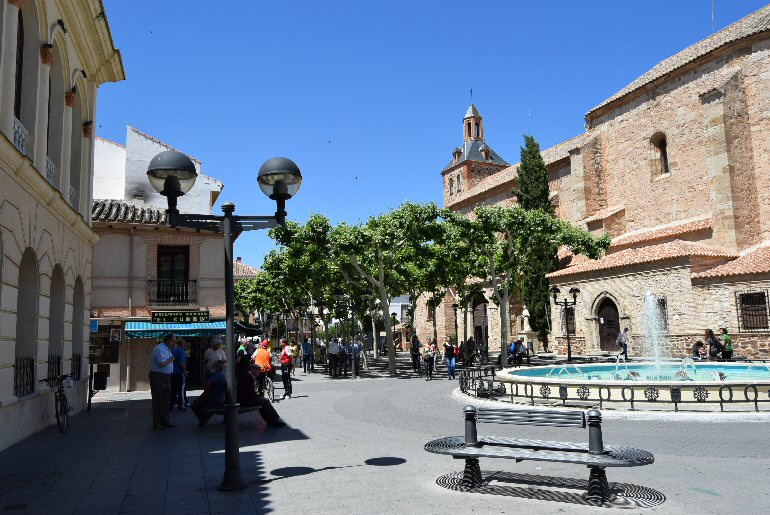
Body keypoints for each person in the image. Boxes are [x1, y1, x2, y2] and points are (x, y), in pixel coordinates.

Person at [150, 332, 176, 429]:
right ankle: (157, 423)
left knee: (166, 400)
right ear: (168, 340)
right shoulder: (159, 349)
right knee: (158, 400)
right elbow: (161, 364)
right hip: (158, 376)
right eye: (173, 341)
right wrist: (171, 359)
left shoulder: (167, 349)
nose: (174, 343)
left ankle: (165, 421)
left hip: (166, 376)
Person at [191, 360, 227, 426]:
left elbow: (206, 388)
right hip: (220, 398)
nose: (211, 368)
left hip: (214, 399)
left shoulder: (216, 377)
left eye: (213, 366)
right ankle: (206, 416)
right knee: (201, 400)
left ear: (216, 367)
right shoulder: (222, 374)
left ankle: (204, 418)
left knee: (194, 404)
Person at [170, 338, 187, 412]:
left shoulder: (173, 350)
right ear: (180, 344)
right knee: (181, 390)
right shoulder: (181, 351)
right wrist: (184, 372)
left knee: (173, 390)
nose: (185, 344)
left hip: (172, 372)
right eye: (184, 343)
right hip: (179, 373)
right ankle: (181, 405)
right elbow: (182, 363)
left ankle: (171, 405)